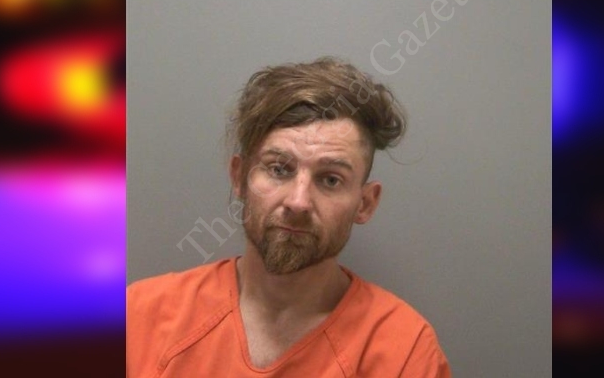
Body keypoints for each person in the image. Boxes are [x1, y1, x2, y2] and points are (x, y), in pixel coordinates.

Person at [126, 57, 451, 377]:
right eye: (279, 169)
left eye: (330, 179)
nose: (298, 202)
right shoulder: (139, 318)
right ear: (239, 177)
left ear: (365, 203)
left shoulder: (405, 353)